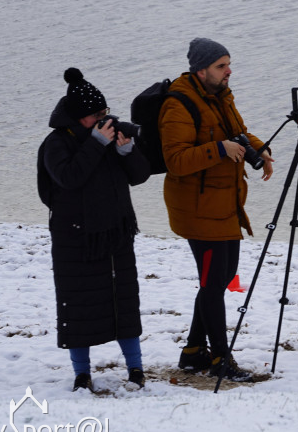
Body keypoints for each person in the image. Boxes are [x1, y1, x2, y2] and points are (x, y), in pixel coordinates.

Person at [159, 38, 275, 382]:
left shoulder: (221, 95)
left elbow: (238, 133)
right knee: (212, 284)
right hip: (197, 209)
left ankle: (193, 351)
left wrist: (259, 149)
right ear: (201, 70)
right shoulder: (178, 104)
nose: (229, 71)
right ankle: (221, 359)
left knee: (223, 278)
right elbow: (176, 160)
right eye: (221, 66)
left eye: (228, 64)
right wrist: (219, 149)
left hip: (224, 203)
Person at [40, 68, 151, 391]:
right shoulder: (56, 143)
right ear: (78, 117)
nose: (105, 120)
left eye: (105, 112)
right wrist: (97, 143)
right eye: (97, 116)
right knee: (79, 306)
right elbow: (69, 178)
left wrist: (127, 151)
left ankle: (136, 369)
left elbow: (140, 176)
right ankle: (81, 373)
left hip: (116, 233)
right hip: (75, 238)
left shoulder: (105, 138)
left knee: (123, 303)